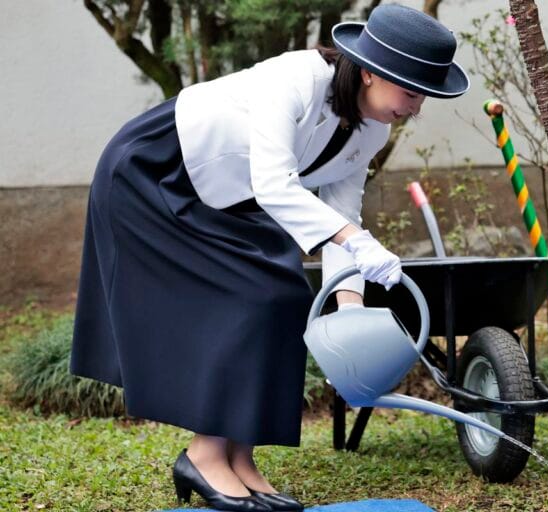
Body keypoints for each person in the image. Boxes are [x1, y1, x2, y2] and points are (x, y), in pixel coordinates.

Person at [69, 5, 468, 510]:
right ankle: (204, 455)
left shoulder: (372, 129)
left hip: (225, 194)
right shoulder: (296, 79)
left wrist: (350, 308)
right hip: (153, 173)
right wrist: (354, 240)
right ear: (371, 71)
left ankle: (240, 456)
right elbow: (275, 185)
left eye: (424, 96)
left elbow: (342, 216)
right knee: (250, 297)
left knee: (282, 297)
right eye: (411, 92)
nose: (416, 108)